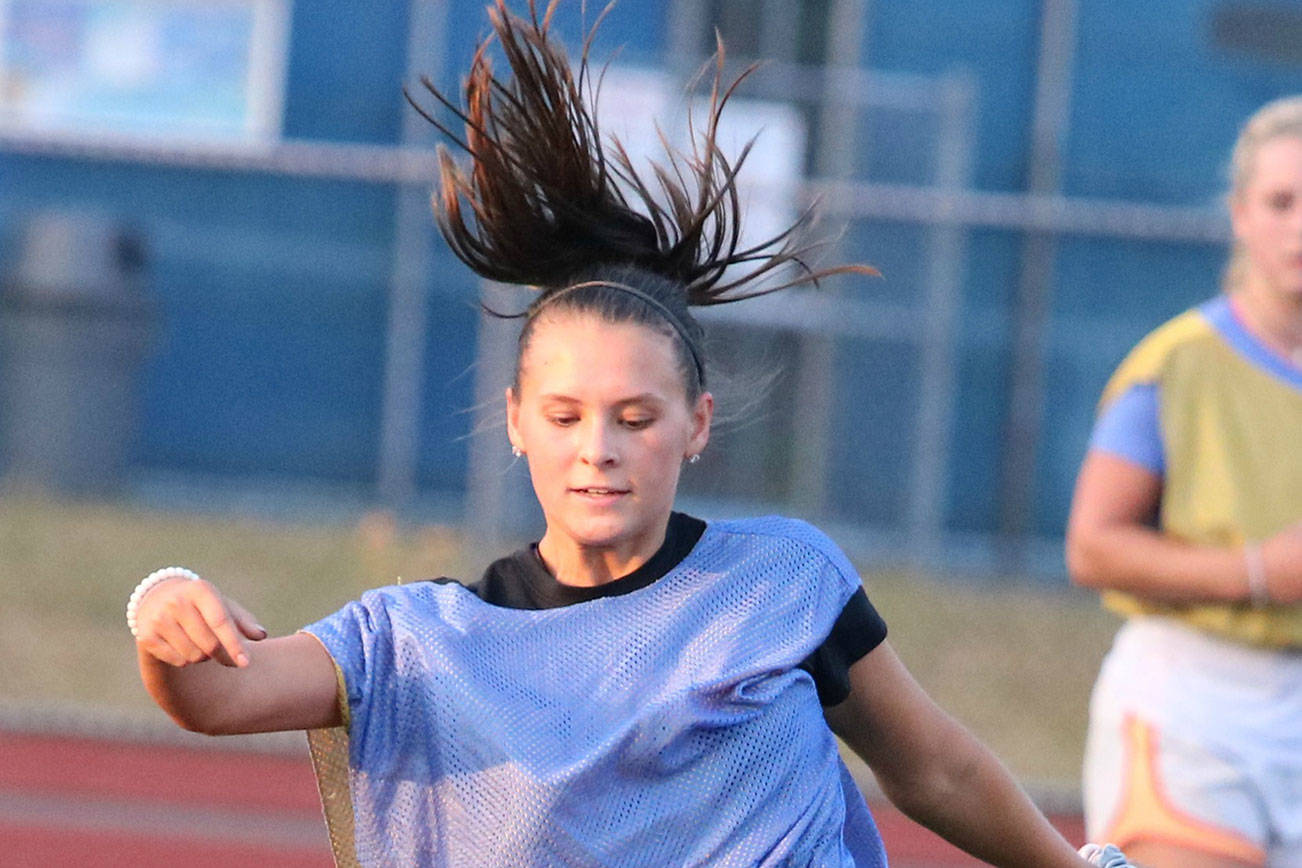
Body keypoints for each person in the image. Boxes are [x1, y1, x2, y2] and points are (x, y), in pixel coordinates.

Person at [130, 2, 1129, 865]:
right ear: (517, 423)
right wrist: (162, 604)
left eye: (635, 417)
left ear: (696, 425)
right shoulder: (422, 643)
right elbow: (217, 699)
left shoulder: (782, 582)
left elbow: (936, 766)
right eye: (564, 417)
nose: (596, 446)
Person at [1067, 95, 1302, 868]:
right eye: (1280, 202)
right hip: (1198, 704)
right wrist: (1260, 572)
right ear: (1240, 214)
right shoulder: (1177, 364)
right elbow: (1094, 548)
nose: (1300, 224)